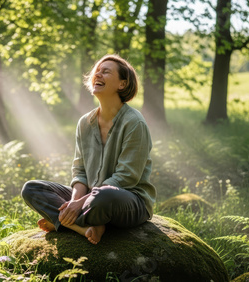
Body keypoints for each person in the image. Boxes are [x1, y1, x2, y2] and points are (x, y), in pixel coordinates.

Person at [21, 54, 156, 245]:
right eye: (97, 71)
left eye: (106, 71)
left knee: (104, 195)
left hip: (126, 200)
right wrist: (74, 203)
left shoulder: (134, 123)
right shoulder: (85, 122)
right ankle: (82, 227)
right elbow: (80, 171)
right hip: (90, 198)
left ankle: (62, 222)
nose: (97, 74)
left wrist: (79, 205)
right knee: (32, 189)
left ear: (122, 84)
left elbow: (126, 177)